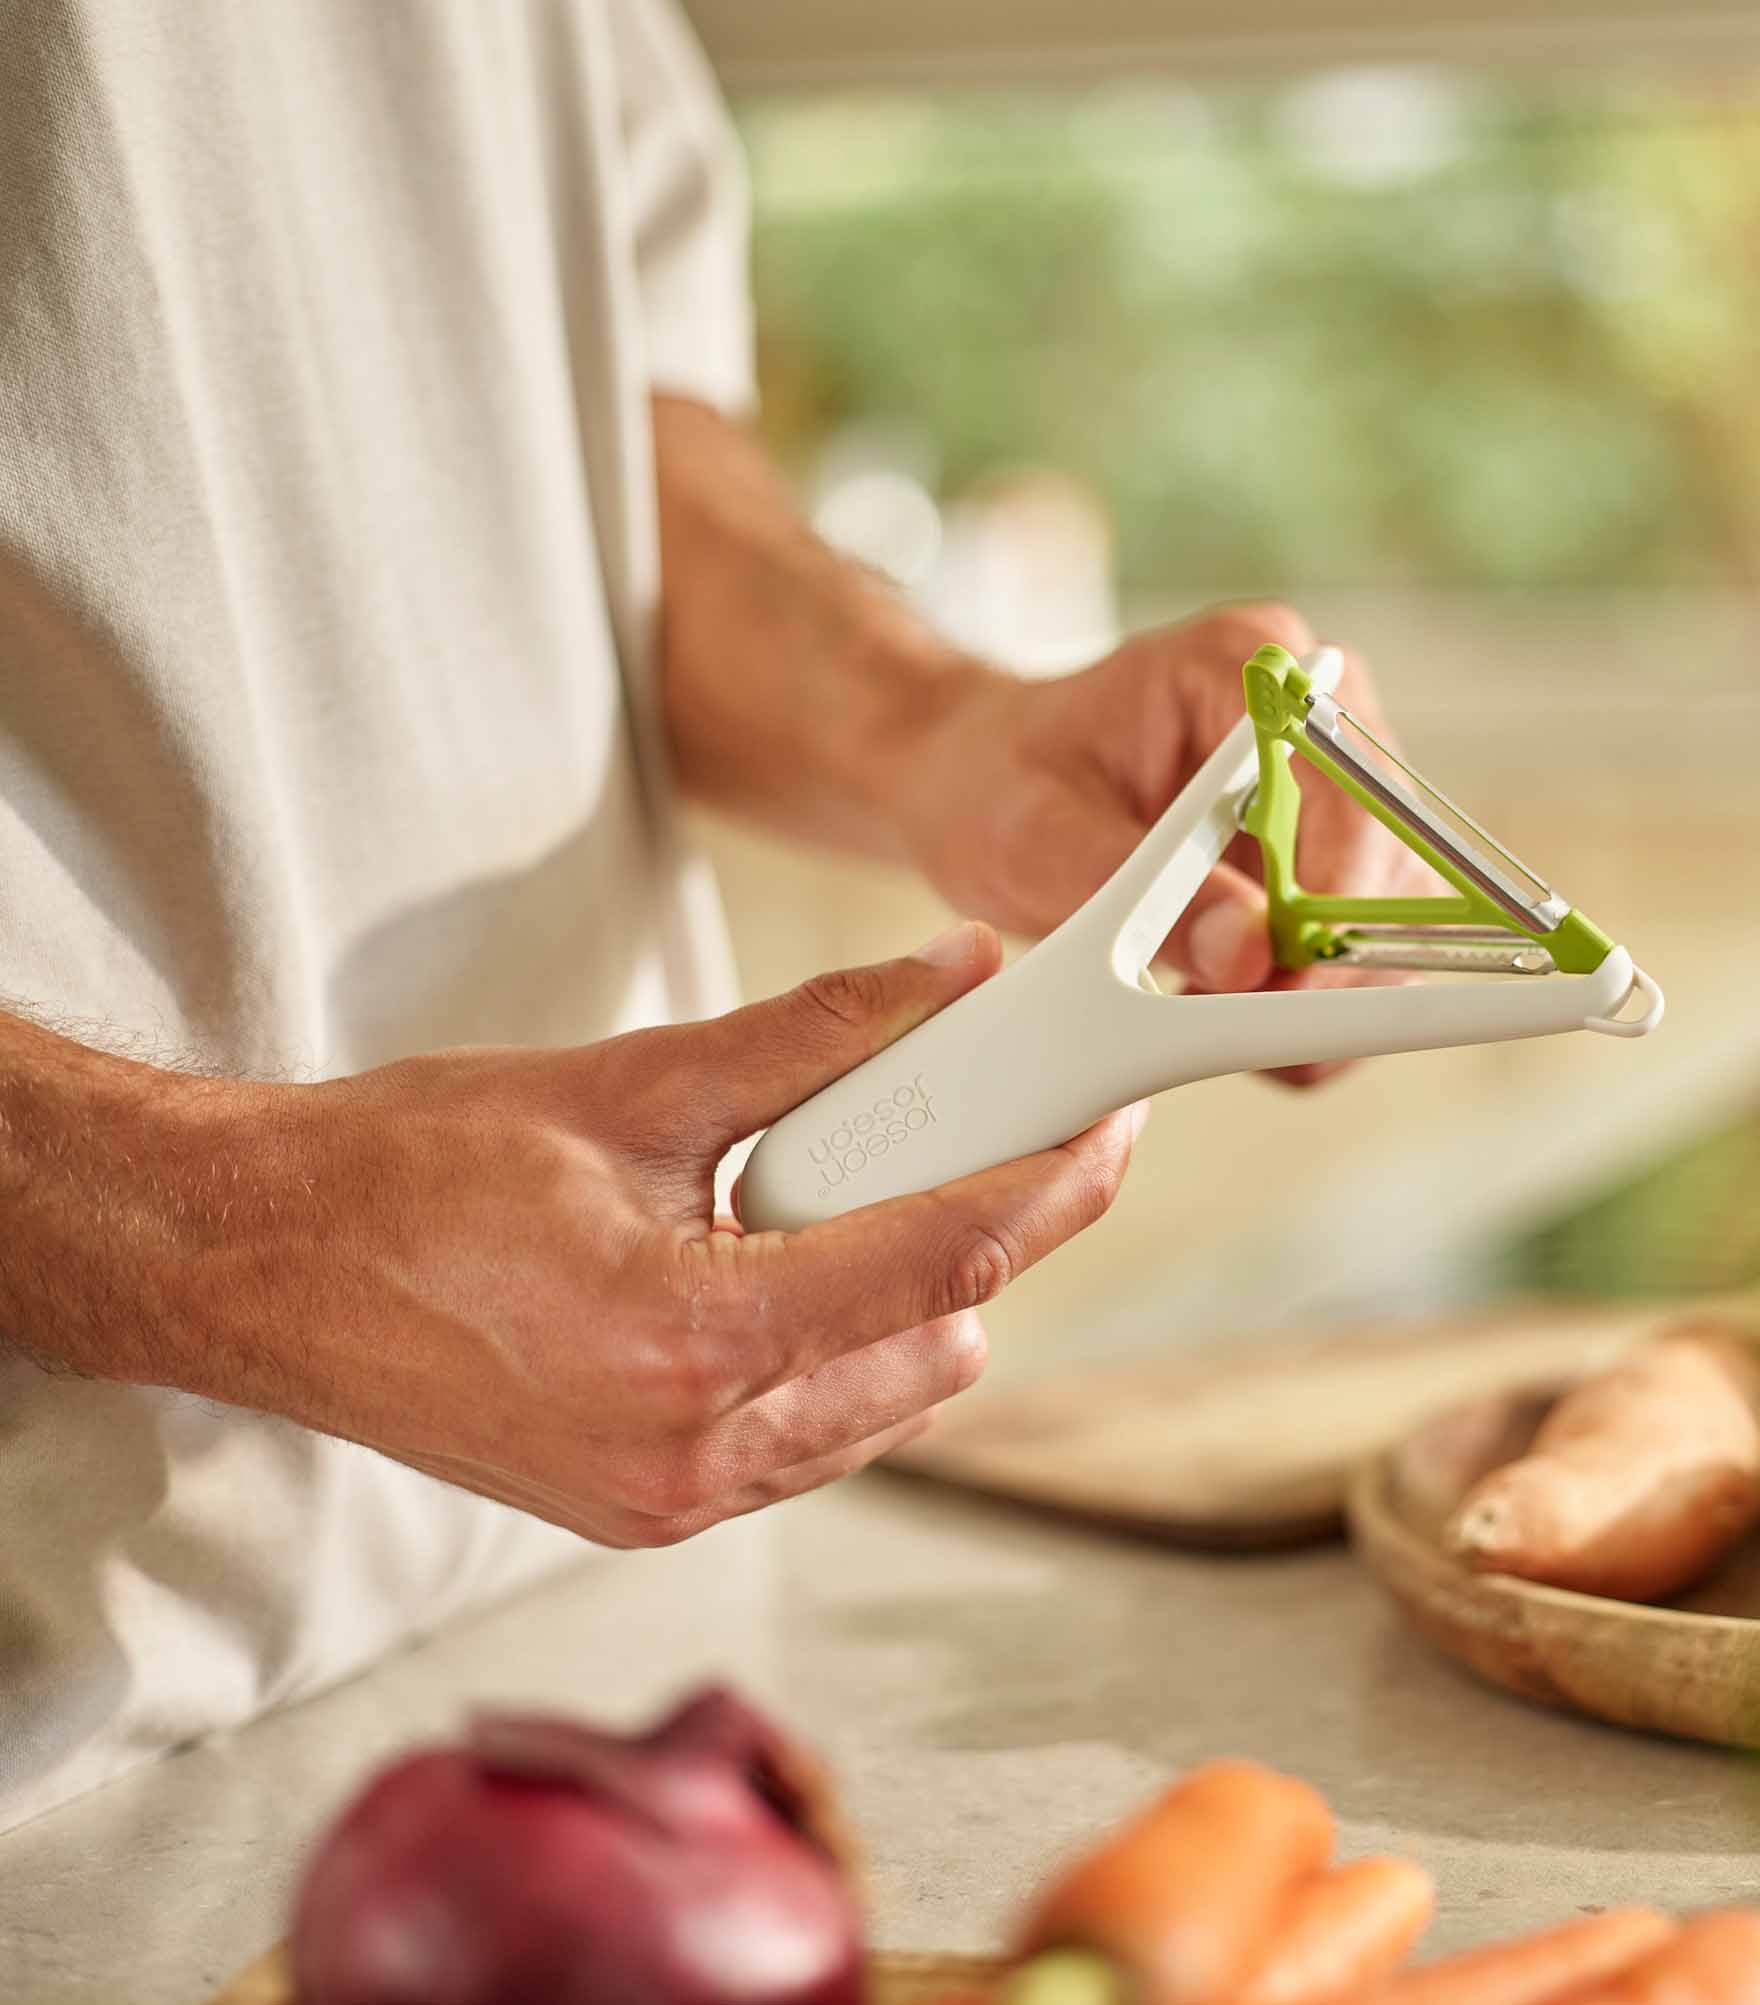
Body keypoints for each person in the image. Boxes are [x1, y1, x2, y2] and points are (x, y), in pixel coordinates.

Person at [0, 0, 1415, 1831]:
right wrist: (245, 1231)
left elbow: (591, 447)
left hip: (582, 1647)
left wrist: (940, 728)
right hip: (48, 1734)